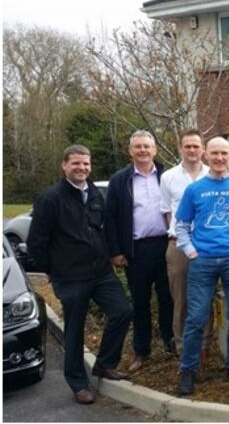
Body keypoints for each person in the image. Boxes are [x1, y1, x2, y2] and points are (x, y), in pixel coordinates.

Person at [28, 145, 133, 405]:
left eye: (86, 164)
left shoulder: (94, 194)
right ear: (64, 165)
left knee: (122, 311)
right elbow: (36, 242)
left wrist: (113, 253)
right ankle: (78, 383)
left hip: (100, 272)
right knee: (74, 331)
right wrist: (50, 269)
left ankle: (104, 364)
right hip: (70, 276)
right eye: (76, 164)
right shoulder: (50, 198)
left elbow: (103, 228)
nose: (82, 168)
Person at [174, 137, 229, 395]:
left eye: (224, 153)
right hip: (202, 261)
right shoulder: (194, 190)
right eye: (214, 153)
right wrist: (191, 252)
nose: (220, 158)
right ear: (206, 155)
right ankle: (188, 370)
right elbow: (181, 225)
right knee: (196, 318)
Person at [105, 130, 173, 373]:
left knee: (169, 299)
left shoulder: (167, 176)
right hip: (136, 250)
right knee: (140, 303)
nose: (143, 151)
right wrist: (115, 251)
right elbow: (110, 218)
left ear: (155, 150)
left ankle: (170, 344)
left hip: (166, 246)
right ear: (130, 150)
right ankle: (141, 351)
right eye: (138, 147)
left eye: (147, 146)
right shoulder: (119, 180)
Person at [159, 129, 213, 359]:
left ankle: (204, 346)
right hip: (179, 246)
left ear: (203, 149)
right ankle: (183, 346)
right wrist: (180, 236)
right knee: (180, 299)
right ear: (181, 148)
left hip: (207, 246)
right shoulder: (169, 177)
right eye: (187, 146)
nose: (192, 150)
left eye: (196, 146)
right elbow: (166, 212)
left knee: (205, 297)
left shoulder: (214, 174)